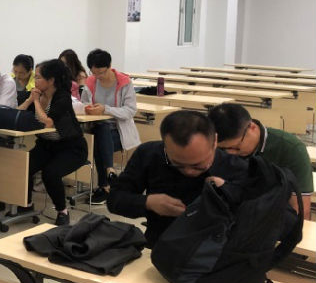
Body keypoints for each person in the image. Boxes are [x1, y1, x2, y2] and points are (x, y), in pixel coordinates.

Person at [107, 110, 248, 246]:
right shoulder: (149, 154)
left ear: (215, 142)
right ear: (165, 146)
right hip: (160, 245)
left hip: (214, 251)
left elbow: (251, 222)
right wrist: (148, 202)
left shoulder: (236, 167)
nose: (189, 172)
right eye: (178, 164)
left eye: (198, 165)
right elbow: (115, 199)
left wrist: (228, 192)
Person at [208, 103, 312, 218]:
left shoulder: (290, 148)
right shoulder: (212, 146)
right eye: (222, 149)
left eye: (236, 147)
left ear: (252, 127)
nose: (229, 153)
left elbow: (300, 210)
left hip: (269, 220)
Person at [16, 59, 88, 226]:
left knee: (51, 173)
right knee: (24, 166)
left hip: (71, 148)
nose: (35, 81)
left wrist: (36, 102)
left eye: (39, 77)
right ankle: (26, 204)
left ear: (51, 80)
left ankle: (62, 211)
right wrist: (30, 100)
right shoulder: (37, 94)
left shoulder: (62, 97)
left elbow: (48, 122)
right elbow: (17, 114)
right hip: (46, 146)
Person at [82, 49, 141, 204]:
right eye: (94, 73)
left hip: (119, 131)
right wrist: (89, 109)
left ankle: (104, 186)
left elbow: (130, 111)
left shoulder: (124, 82)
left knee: (99, 140)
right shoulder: (91, 82)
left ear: (110, 66)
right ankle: (109, 173)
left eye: (101, 72)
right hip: (95, 128)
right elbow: (83, 103)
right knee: (100, 130)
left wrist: (106, 109)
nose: (98, 76)